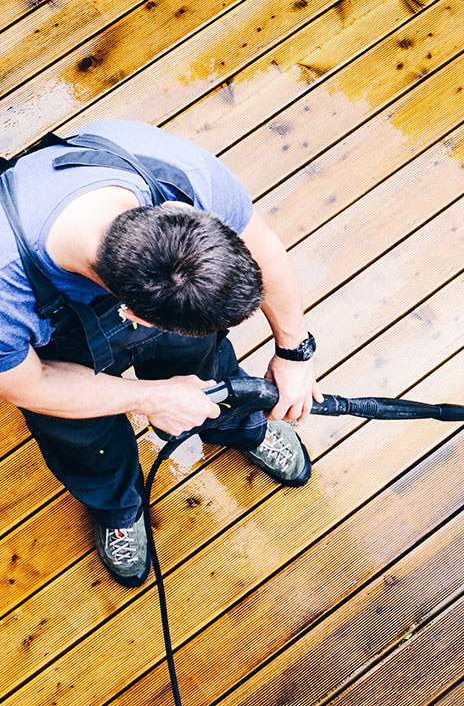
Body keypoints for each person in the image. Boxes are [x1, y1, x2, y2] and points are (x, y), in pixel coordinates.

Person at [0, 118, 319, 587]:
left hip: (146, 308)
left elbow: (264, 251)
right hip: (53, 357)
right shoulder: (6, 291)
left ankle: (239, 426)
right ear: (133, 314)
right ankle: (118, 504)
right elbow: (29, 385)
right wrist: (148, 398)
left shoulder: (176, 174)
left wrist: (294, 351)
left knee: (207, 365)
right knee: (83, 436)